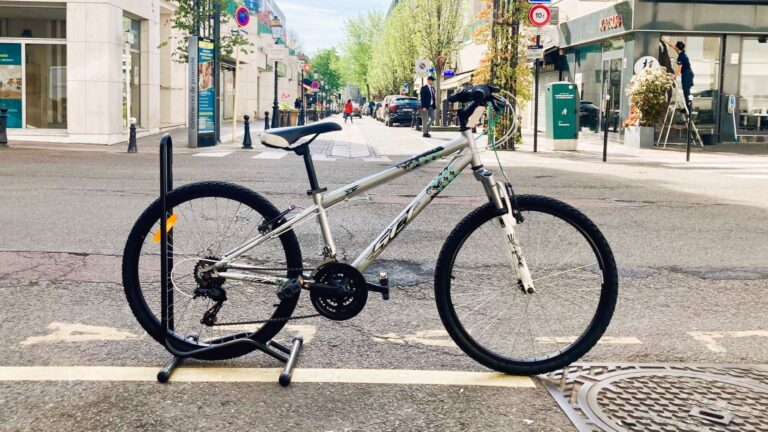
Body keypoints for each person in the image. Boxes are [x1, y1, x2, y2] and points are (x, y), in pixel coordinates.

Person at [664, 39, 694, 110]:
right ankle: (688, 107)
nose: (674, 46)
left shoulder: (681, 57)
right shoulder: (682, 52)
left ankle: (689, 108)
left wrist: (674, 76)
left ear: (677, 48)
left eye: (675, 46)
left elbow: (679, 69)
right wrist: (664, 40)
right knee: (687, 91)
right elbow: (672, 46)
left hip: (686, 74)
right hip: (689, 73)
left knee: (686, 91)